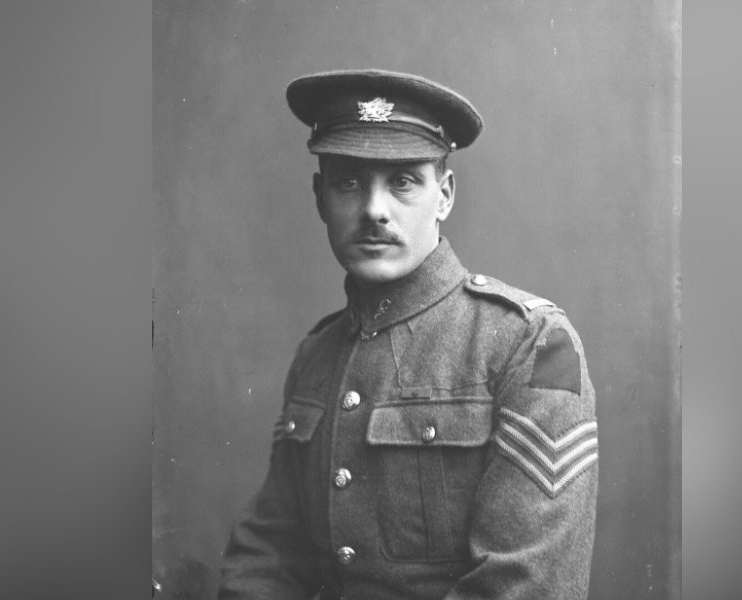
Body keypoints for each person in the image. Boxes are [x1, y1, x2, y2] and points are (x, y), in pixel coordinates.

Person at [218, 69, 599, 600]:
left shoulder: (529, 343)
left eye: (402, 182)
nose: (375, 210)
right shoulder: (317, 354)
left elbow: (526, 586)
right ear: (320, 198)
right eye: (349, 182)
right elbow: (268, 556)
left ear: (443, 196)